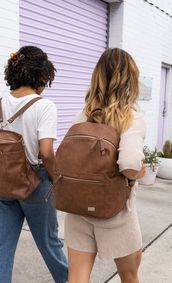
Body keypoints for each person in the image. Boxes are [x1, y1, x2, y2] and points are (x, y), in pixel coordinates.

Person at [0, 46, 68, 283]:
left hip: (5, 182)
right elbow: (46, 152)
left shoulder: (0, 104)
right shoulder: (44, 106)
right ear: (41, 75)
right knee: (50, 244)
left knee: (2, 247)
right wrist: (57, 178)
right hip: (36, 182)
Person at [64, 48, 146, 283]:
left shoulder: (85, 113)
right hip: (116, 212)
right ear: (130, 79)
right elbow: (129, 163)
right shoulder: (131, 117)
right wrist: (137, 173)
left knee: (77, 277)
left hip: (79, 207)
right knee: (129, 276)